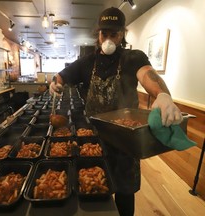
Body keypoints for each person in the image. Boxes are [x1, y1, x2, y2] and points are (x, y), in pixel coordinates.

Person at [49, 7, 183, 216]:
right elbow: (62, 76)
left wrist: (163, 95)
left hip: (125, 140)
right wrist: (55, 82)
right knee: (92, 187)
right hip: (92, 141)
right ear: (98, 34)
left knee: (124, 193)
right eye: (105, 33)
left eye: (114, 34)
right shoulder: (87, 62)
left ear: (122, 34)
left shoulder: (133, 58)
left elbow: (149, 76)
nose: (109, 39)